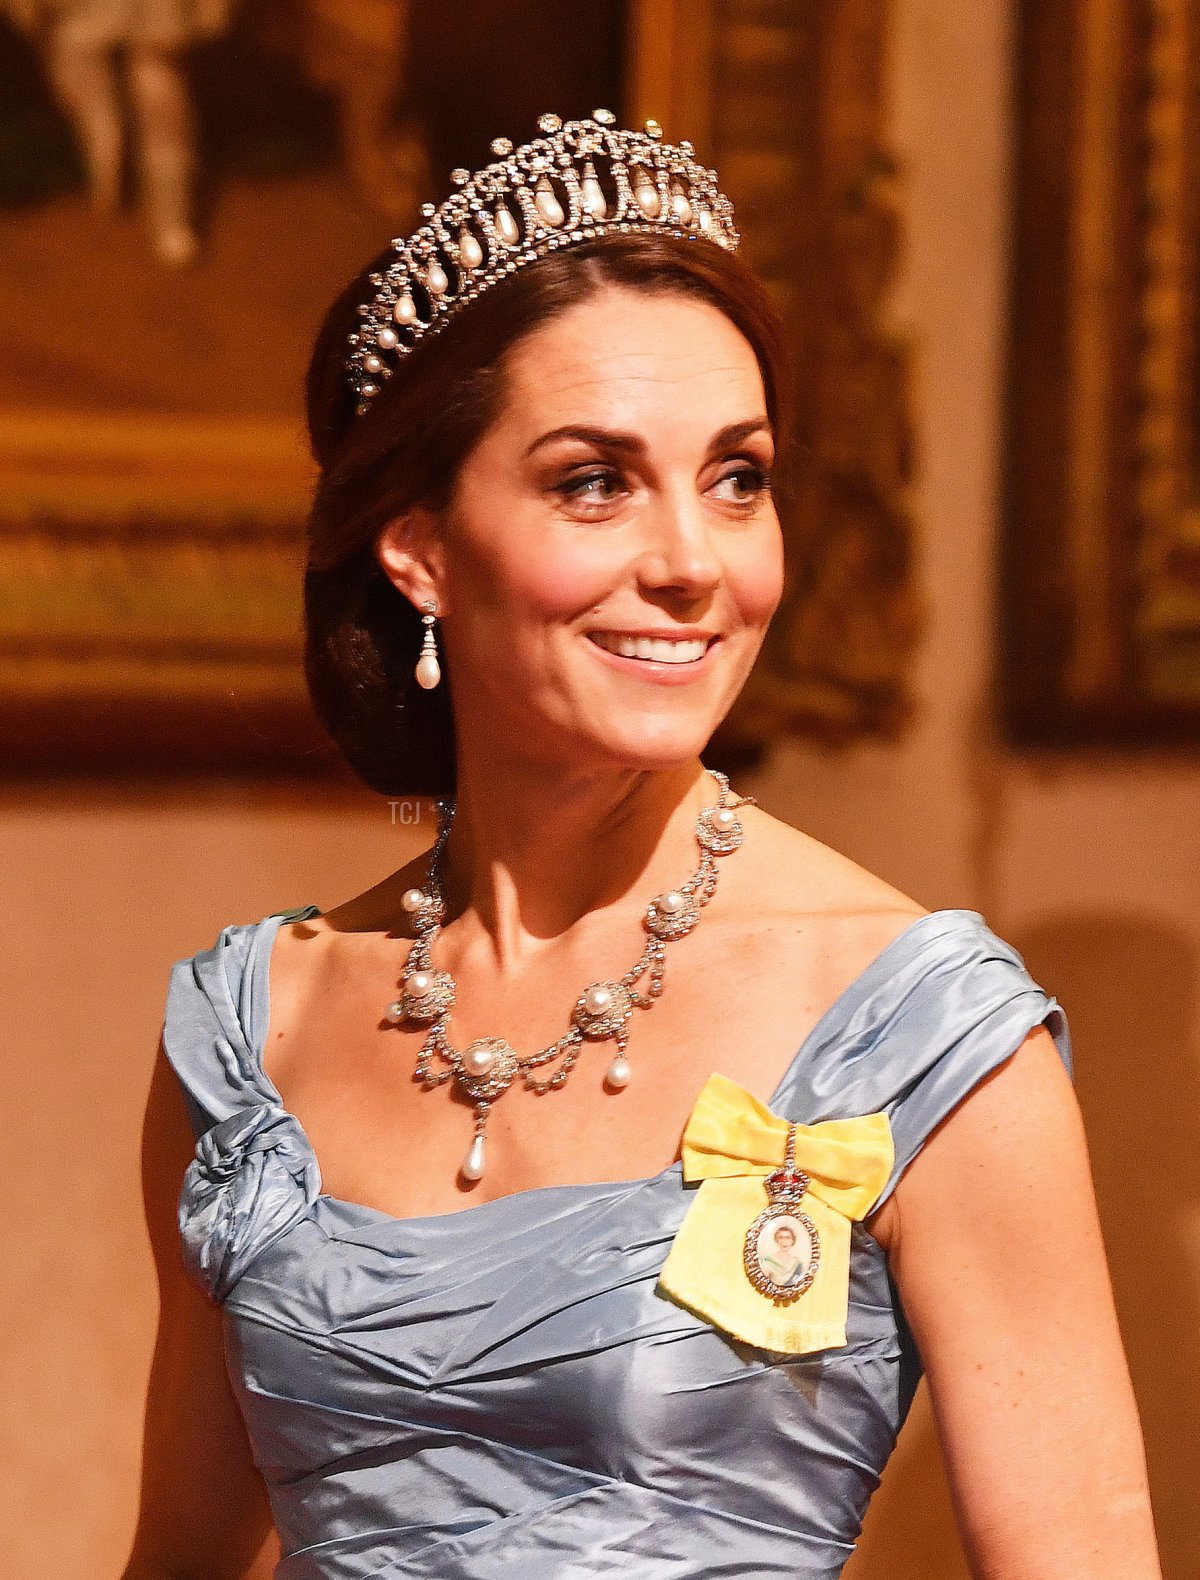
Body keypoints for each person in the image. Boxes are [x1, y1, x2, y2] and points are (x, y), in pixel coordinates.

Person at [121, 113, 1163, 1579]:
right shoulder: (249, 1039)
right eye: (595, 481)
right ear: (415, 546)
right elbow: (178, 1559)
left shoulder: (926, 1035)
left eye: (738, 477)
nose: (692, 561)